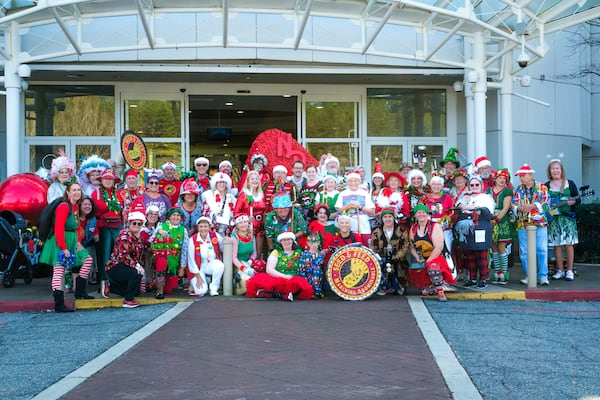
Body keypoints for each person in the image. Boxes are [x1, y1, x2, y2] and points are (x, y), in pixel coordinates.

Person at [39, 181, 95, 312]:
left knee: (87, 260)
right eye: (74, 190)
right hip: (60, 241)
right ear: (68, 192)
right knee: (58, 272)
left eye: (78, 190)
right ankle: (59, 303)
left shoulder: (76, 207)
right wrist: (63, 248)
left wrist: (77, 242)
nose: (76, 192)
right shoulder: (64, 206)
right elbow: (58, 228)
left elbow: (75, 227)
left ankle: (80, 291)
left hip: (73, 241)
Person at [245, 231, 314, 301]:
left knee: (300, 284)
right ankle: (282, 294)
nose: (286, 242)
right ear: (280, 242)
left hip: (293, 278)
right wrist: (284, 276)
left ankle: (273, 294)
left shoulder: (299, 252)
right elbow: (269, 269)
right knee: (269, 282)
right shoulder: (276, 252)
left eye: (289, 239)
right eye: (284, 240)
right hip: (278, 278)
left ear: (293, 241)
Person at [512, 164, 550, 285]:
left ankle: (543, 276)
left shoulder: (542, 187)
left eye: (523, 175)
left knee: (542, 249)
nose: (521, 178)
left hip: (539, 222)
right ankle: (531, 275)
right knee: (524, 252)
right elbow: (513, 205)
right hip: (523, 223)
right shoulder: (517, 189)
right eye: (520, 176)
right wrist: (519, 208)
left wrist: (533, 206)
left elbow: (547, 204)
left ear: (531, 175)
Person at [408, 204, 456, 302]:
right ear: (415, 215)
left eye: (423, 212)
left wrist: (428, 262)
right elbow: (412, 247)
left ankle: (440, 292)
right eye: (419, 212)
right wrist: (417, 257)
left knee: (432, 267)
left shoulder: (435, 226)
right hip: (423, 258)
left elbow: (439, 248)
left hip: (437, 258)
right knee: (424, 291)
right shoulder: (413, 228)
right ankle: (438, 286)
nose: (421, 214)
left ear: (427, 214)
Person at [455, 176, 495, 288]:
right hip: (467, 231)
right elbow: (458, 209)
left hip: (480, 229)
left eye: (477, 185)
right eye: (471, 185)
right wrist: (466, 202)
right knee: (469, 256)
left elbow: (487, 213)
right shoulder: (464, 197)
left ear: (481, 186)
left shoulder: (486, 198)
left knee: (481, 256)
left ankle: (483, 278)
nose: (474, 187)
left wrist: (469, 207)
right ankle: (472, 278)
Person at [545, 160, 580, 281]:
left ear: (561, 170)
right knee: (557, 244)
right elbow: (544, 202)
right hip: (553, 219)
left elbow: (578, 199)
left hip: (567, 218)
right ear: (550, 171)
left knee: (568, 244)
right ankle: (559, 270)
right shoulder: (546, 185)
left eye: (557, 168)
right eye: (553, 169)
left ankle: (569, 270)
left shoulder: (569, 183)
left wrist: (573, 201)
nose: (555, 171)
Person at [105, 211, 148, 308]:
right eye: (134, 223)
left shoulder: (140, 237)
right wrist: (137, 267)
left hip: (128, 266)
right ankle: (128, 300)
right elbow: (124, 255)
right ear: (129, 223)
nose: (136, 225)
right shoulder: (125, 235)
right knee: (135, 274)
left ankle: (111, 287)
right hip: (116, 266)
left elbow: (140, 255)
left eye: (139, 223)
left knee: (136, 290)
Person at [91, 169, 123, 299]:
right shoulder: (96, 193)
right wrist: (96, 231)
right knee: (104, 257)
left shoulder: (119, 194)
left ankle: (116, 283)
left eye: (110, 179)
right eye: (106, 179)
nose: (108, 181)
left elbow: (122, 212)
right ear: (101, 180)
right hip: (103, 227)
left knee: (118, 256)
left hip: (118, 227)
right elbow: (92, 214)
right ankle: (104, 283)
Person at [370, 207, 409, 295]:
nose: (388, 219)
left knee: (401, 290)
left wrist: (394, 258)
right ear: (382, 218)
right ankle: (385, 285)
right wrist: (380, 258)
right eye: (385, 217)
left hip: (398, 261)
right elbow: (373, 248)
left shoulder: (402, 231)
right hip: (382, 260)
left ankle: (398, 284)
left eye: (390, 217)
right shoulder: (376, 232)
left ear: (393, 218)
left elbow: (405, 247)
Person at [151, 207, 189, 298]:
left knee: (170, 290)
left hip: (175, 260)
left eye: (178, 215)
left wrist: (182, 267)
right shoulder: (162, 226)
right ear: (169, 217)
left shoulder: (183, 230)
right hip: (162, 257)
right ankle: (159, 291)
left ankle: (161, 284)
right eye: (173, 215)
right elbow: (151, 240)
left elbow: (185, 249)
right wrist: (158, 232)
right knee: (162, 262)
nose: (176, 217)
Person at [486, 168, 514, 284]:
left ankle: (504, 272)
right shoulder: (488, 191)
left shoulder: (507, 191)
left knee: (502, 245)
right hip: (490, 219)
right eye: (500, 178)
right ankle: (497, 271)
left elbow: (506, 207)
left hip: (502, 220)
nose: (502, 180)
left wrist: (497, 219)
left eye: (504, 178)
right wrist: (489, 218)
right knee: (493, 246)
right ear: (495, 179)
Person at [186, 216, 224, 297]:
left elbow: (224, 247)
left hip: (209, 265)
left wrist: (229, 241)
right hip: (198, 268)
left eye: (205, 226)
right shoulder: (193, 239)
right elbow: (191, 259)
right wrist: (197, 276)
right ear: (198, 228)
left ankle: (214, 288)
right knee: (201, 291)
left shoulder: (215, 236)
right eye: (201, 226)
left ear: (209, 227)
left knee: (219, 265)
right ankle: (199, 282)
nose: (203, 229)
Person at [335, 171, 375, 246]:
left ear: (359, 182)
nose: (353, 183)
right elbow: (339, 211)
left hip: (363, 228)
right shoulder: (342, 194)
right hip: (348, 230)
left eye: (355, 181)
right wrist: (348, 206)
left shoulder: (365, 193)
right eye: (350, 181)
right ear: (347, 182)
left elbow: (372, 212)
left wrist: (360, 207)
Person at [234, 170, 268, 258]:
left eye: (257, 179)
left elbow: (265, 209)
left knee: (259, 252)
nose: (255, 180)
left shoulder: (261, 195)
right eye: (252, 179)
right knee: (250, 251)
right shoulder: (244, 195)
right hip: (248, 227)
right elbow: (236, 212)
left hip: (260, 227)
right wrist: (246, 218)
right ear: (248, 182)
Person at [419, 176, 455, 251]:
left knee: (446, 250)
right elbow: (419, 212)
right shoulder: (425, 198)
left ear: (442, 186)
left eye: (439, 184)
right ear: (431, 185)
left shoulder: (447, 197)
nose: (436, 186)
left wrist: (447, 220)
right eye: (434, 184)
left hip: (445, 229)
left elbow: (452, 212)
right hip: (429, 229)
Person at [201, 172, 237, 236]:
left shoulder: (231, 198)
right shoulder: (208, 195)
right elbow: (204, 212)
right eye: (219, 182)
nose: (221, 184)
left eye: (223, 182)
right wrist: (213, 216)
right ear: (215, 184)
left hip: (227, 230)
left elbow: (234, 213)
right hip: (212, 229)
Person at [231, 214, 257, 295]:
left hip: (249, 263)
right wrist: (244, 268)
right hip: (238, 265)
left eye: (245, 222)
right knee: (247, 279)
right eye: (240, 223)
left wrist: (250, 262)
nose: (243, 224)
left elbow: (254, 253)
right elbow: (234, 258)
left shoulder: (252, 236)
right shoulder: (234, 238)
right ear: (237, 225)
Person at [79, 196, 100, 285]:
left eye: (89, 204)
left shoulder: (92, 220)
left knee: (91, 248)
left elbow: (96, 237)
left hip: (87, 244)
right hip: (74, 244)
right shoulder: (75, 218)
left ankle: (91, 275)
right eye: (85, 204)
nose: (87, 206)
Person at [298, 233, 325, 298]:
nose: (313, 245)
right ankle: (307, 289)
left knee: (317, 270)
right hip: (306, 275)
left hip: (317, 277)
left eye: (315, 242)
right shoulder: (304, 254)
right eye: (311, 243)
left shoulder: (321, 255)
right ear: (308, 243)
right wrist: (304, 278)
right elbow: (301, 268)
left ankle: (317, 291)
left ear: (318, 243)